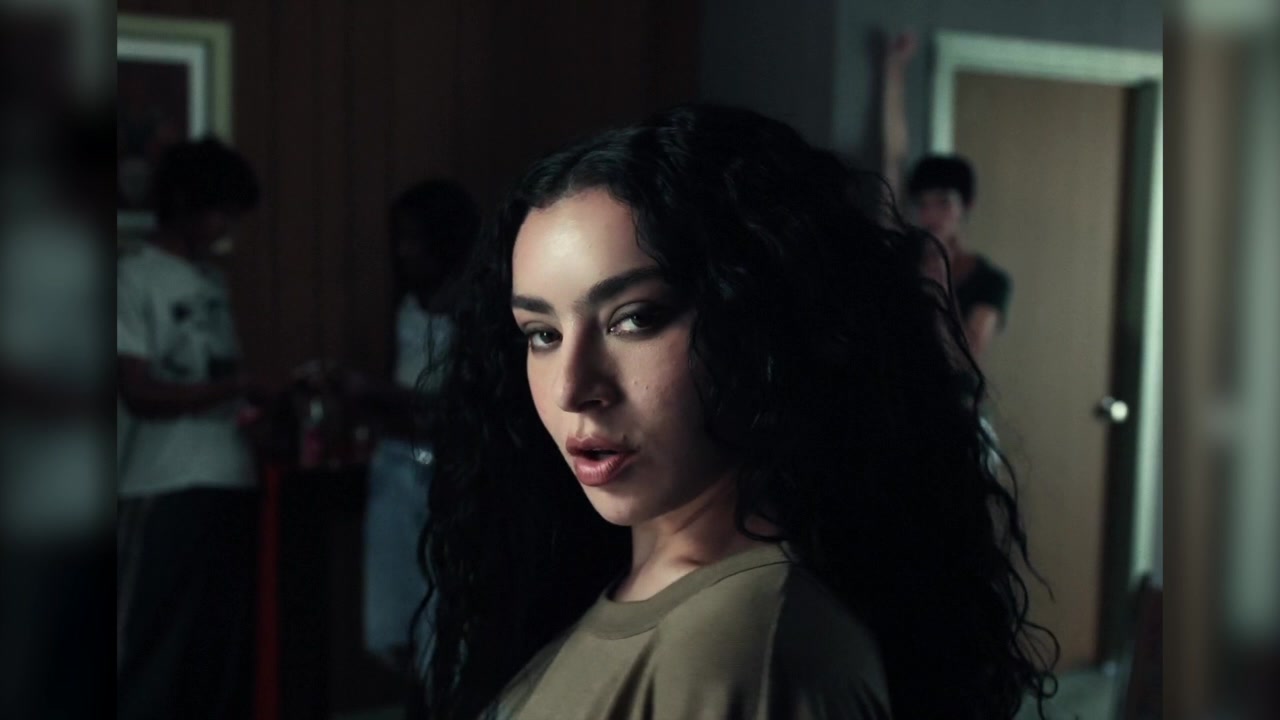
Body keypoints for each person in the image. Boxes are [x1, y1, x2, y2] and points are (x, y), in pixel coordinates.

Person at [414, 105, 1057, 719]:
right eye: (542, 334)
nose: (571, 388)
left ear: (756, 323)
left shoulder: (748, 651)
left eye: (634, 319)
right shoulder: (620, 583)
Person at [116, 138, 267, 720]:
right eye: (219, 212)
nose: (225, 228)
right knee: (153, 648)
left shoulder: (211, 281)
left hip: (229, 479)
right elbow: (138, 390)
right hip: (163, 484)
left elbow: (223, 379)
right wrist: (234, 388)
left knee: (218, 649)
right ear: (185, 203)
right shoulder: (133, 276)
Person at [346, 180, 480, 669]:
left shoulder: (474, 314)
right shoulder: (408, 307)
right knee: (395, 606)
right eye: (398, 239)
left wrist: (375, 391)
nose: (403, 252)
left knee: (445, 603)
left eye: (413, 240)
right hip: (396, 460)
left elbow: (459, 405)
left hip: (448, 468)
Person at [881, 32, 1012, 362]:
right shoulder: (902, 258)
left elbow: (966, 358)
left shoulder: (989, 281)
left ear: (965, 206)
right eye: (923, 204)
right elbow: (893, 156)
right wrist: (895, 69)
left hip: (950, 393)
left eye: (943, 203)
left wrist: (940, 288)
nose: (932, 214)